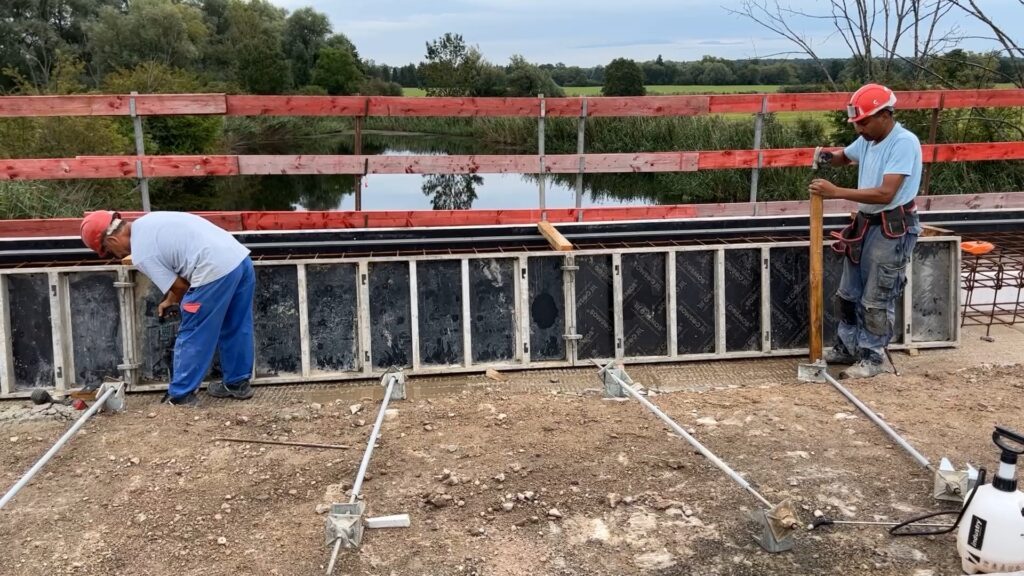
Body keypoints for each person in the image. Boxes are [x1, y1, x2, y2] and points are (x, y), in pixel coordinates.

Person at [80, 210, 256, 404]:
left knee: (194, 329)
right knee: (236, 324)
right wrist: (171, 299)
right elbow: (179, 274)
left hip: (214, 269)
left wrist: (182, 300)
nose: (116, 256)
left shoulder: (142, 253)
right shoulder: (149, 221)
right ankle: (237, 383)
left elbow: (180, 286)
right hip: (239, 260)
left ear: (112, 240)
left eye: (109, 252)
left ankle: (181, 395)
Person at [808, 83, 922, 379]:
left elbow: (886, 193)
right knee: (848, 293)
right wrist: (827, 157)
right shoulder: (869, 140)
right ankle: (848, 348)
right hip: (867, 224)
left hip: (891, 227)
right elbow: (846, 156)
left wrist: (835, 192)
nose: (859, 128)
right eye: (856, 123)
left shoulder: (903, 143)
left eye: (864, 122)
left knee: (877, 296)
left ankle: (872, 356)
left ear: (885, 115)